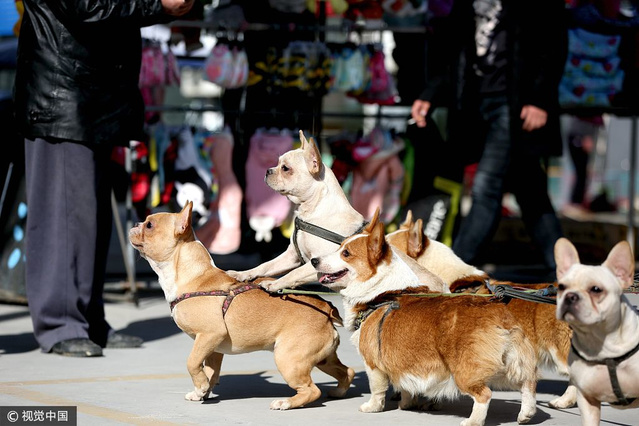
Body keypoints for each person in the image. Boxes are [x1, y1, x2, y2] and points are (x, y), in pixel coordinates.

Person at [12, 0, 194, 357]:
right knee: (65, 219)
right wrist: (157, 5)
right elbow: (84, 5)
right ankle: (60, 322)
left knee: (88, 220)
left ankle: (89, 319)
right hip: (62, 94)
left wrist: (162, 8)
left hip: (90, 96)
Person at [410, 0, 567, 276]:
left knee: (486, 187)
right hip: (475, 104)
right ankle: (567, 270)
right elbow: (456, 51)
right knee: (530, 189)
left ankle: (450, 272)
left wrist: (539, 99)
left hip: (515, 103)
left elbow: (553, 43)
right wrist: (430, 94)